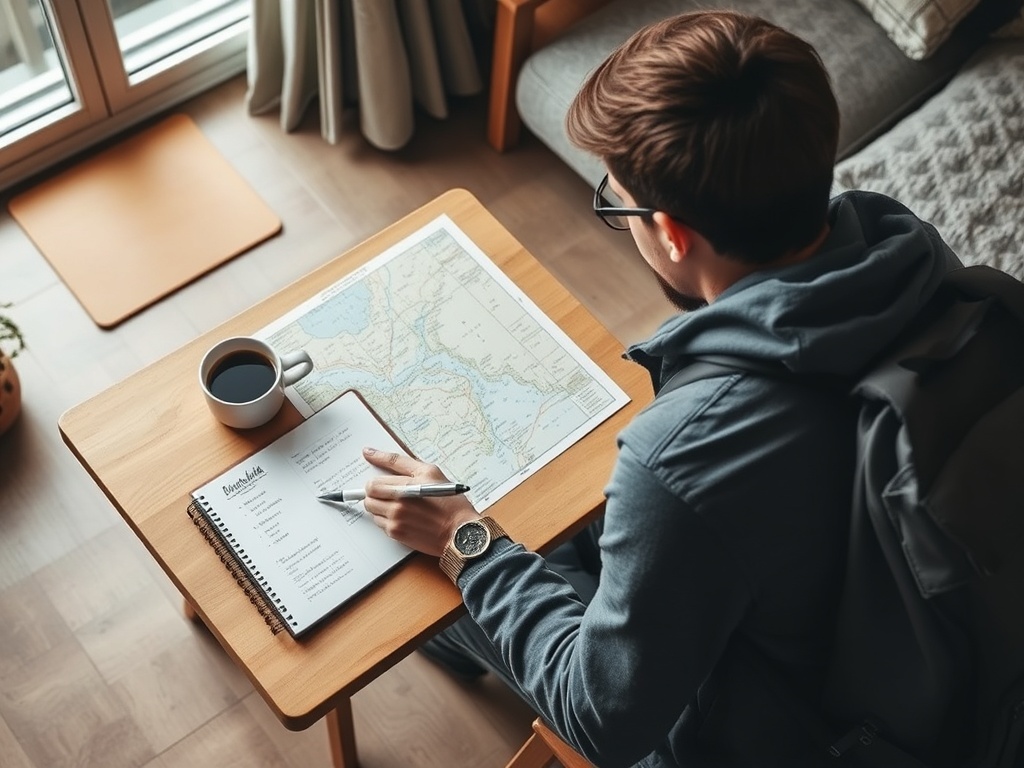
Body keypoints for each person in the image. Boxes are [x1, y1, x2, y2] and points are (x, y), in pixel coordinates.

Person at [360, 10, 960, 767]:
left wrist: (463, 541)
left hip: (770, 736)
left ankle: (455, 638)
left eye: (618, 204)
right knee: (559, 539)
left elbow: (599, 721)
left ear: (672, 233)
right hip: (919, 657)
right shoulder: (920, 262)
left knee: (453, 574)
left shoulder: (685, 458)